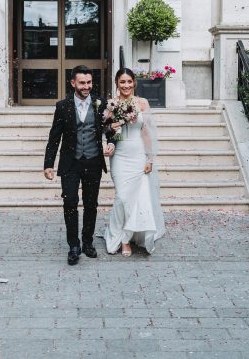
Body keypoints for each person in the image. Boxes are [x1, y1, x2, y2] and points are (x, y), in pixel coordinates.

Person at [44, 65, 113, 265]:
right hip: (70, 163)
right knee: (70, 203)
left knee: (91, 204)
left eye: (89, 82)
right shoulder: (62, 106)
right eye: (82, 83)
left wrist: (111, 142)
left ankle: (88, 242)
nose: (86, 86)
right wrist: (48, 164)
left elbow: (110, 129)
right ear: (73, 83)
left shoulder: (102, 104)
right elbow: (54, 137)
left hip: (93, 161)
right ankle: (73, 245)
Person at [103, 68, 165, 256]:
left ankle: (126, 238)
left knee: (137, 197)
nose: (126, 85)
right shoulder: (111, 104)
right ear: (116, 83)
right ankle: (119, 233)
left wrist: (150, 158)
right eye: (122, 82)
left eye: (129, 82)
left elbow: (146, 131)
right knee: (122, 197)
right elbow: (106, 131)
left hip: (138, 153)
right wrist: (112, 130)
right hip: (120, 155)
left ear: (134, 83)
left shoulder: (142, 103)